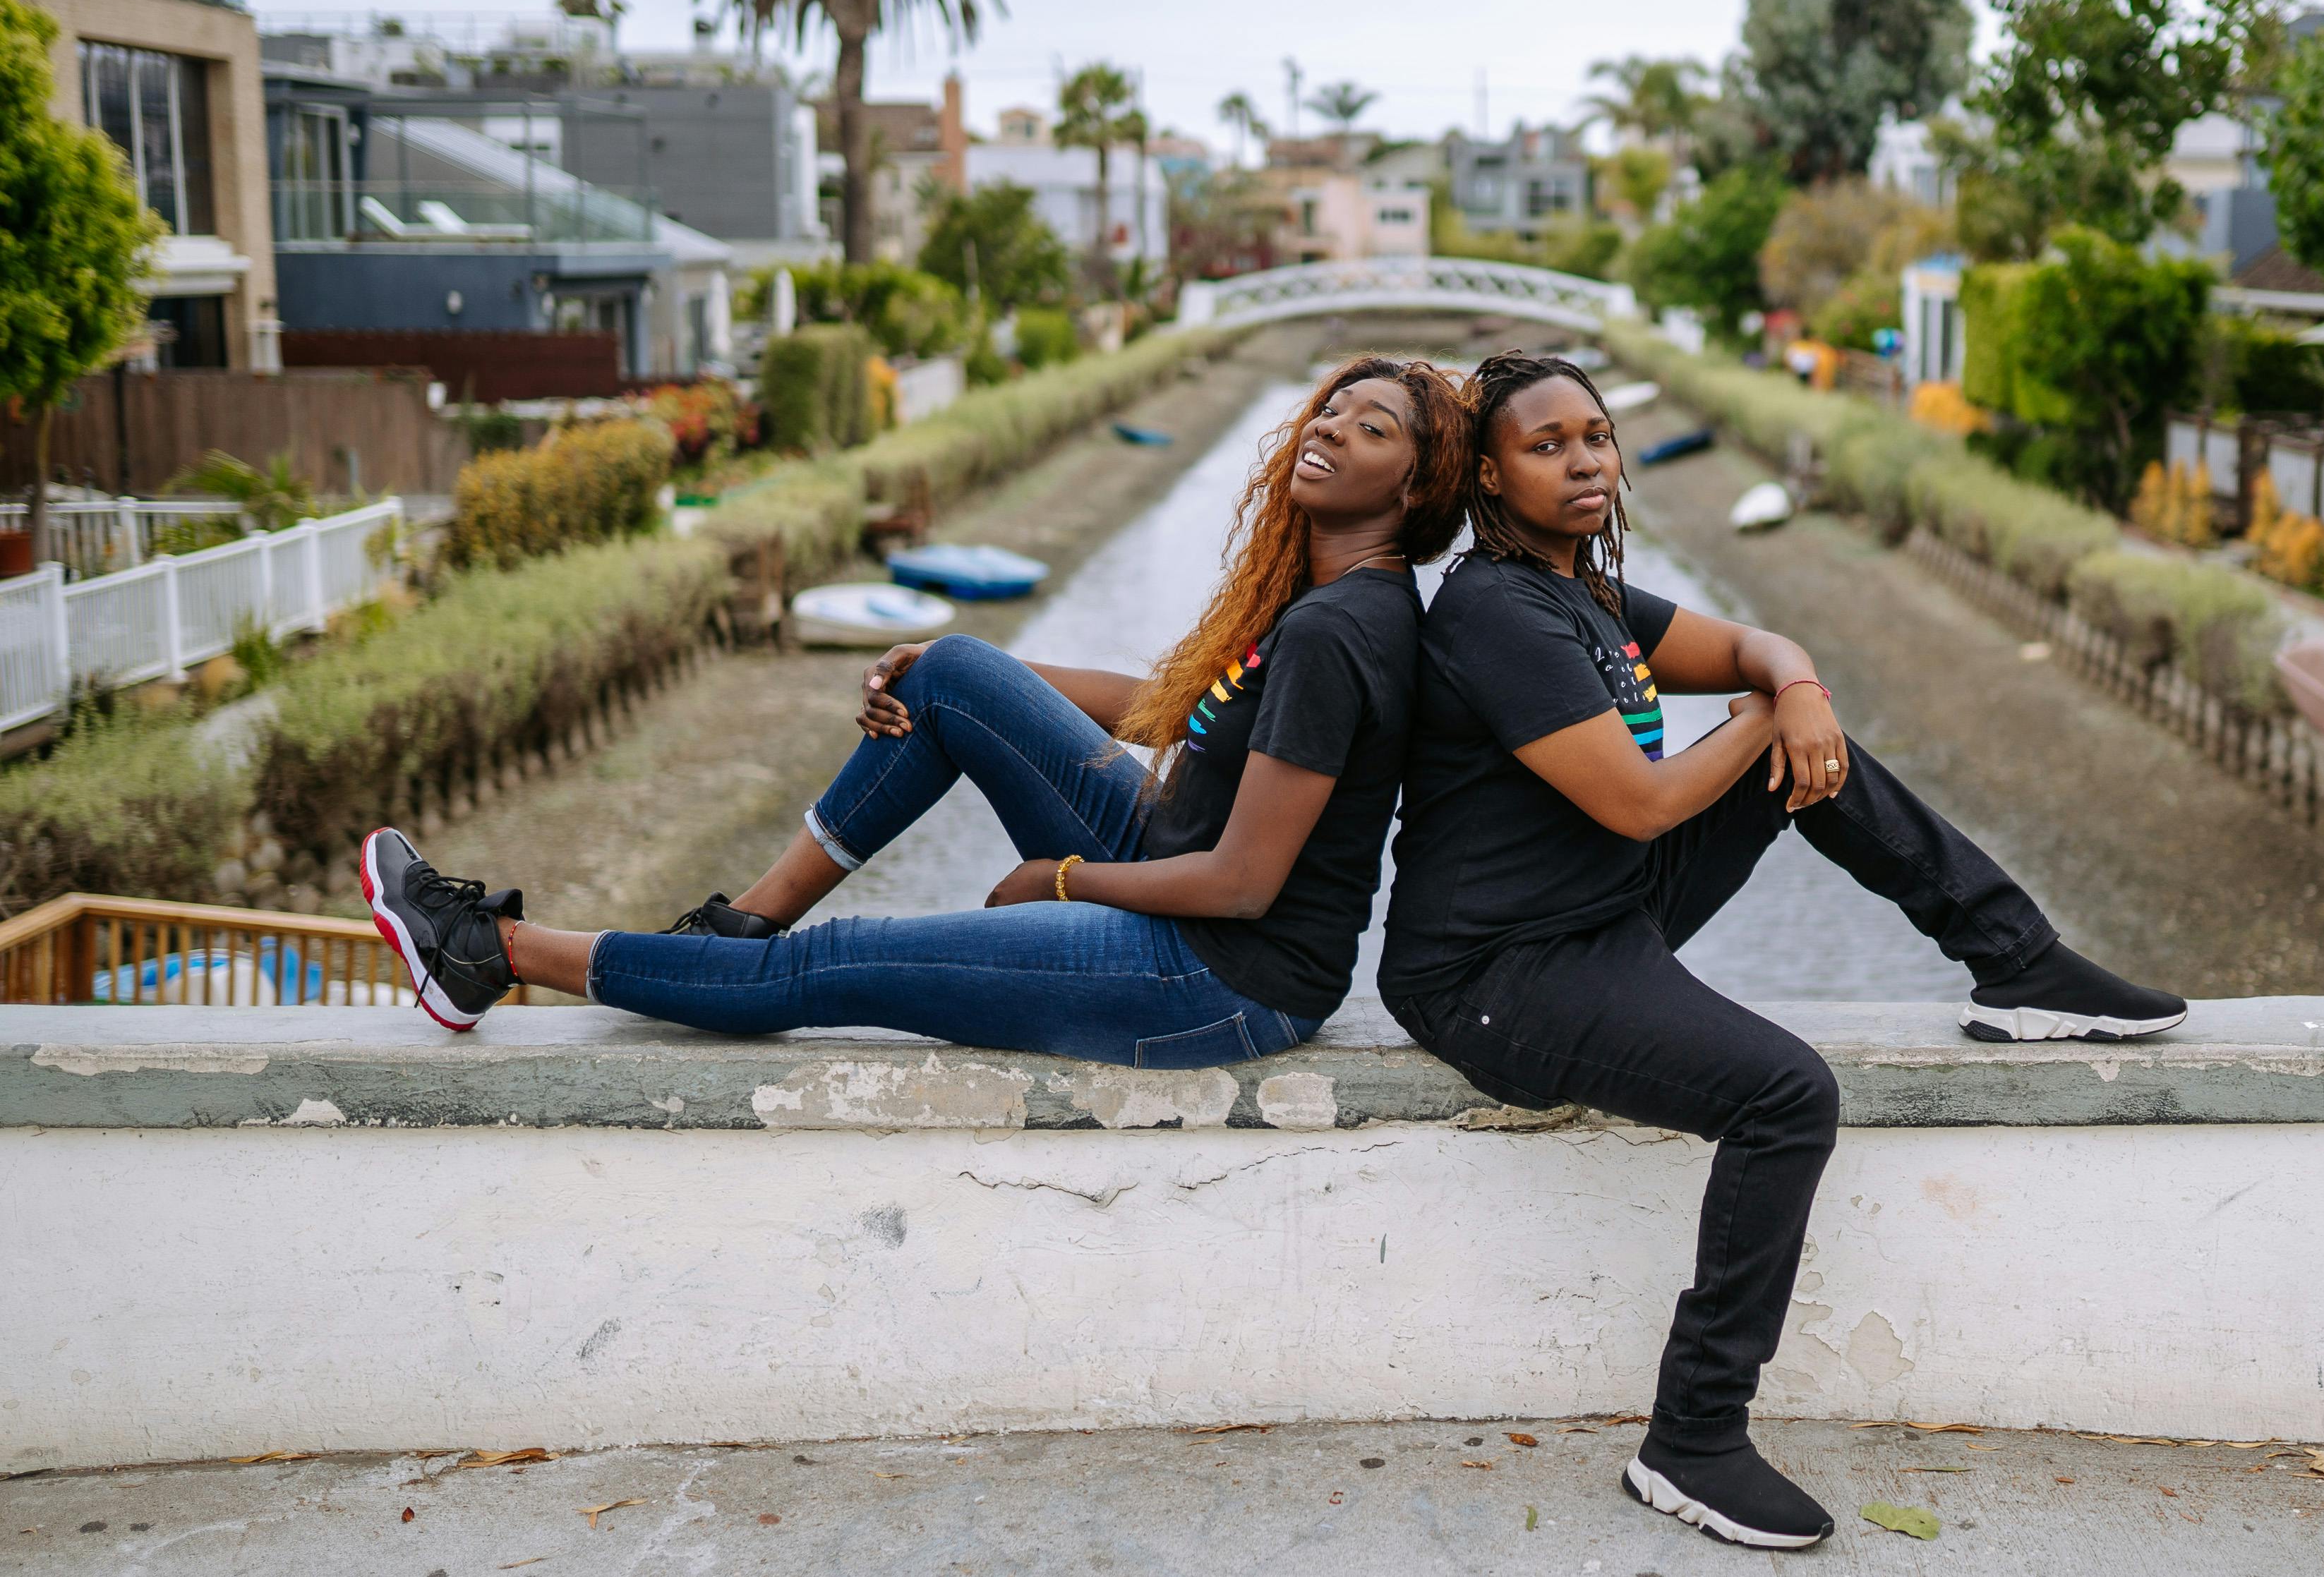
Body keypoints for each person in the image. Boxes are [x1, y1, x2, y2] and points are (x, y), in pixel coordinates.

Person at [1380, 350, 2186, 1550]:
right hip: (1497, 975)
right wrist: (1771, 711)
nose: (1585, 459)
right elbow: (1642, 806)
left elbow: (1754, 644)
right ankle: (1693, 1439)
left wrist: (1794, 685)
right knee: (1785, 1094)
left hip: (1602, 913)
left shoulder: (1585, 593)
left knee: (1800, 750)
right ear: (1488, 477)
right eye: (1546, 445)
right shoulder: (1493, 608)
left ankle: (2015, 961)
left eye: (1595, 436)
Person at [363, 355, 1470, 1068]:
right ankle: (738, 926)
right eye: (1332, 405)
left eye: (1374, 429)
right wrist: (960, 667)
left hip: (1222, 974)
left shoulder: (1343, 631)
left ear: (1416, 491)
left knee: (836, 967)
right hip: (1176, 866)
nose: (1329, 427)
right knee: (948, 675)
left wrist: (1060, 881)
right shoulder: (1320, 599)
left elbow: (1245, 884)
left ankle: (489, 950)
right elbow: (1179, 712)